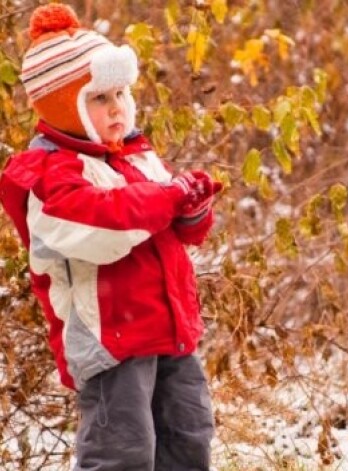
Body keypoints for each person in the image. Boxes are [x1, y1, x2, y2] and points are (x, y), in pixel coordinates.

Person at [0, 4, 219, 469]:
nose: (117, 108)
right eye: (99, 98)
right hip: (109, 341)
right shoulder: (51, 175)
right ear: (65, 105)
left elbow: (174, 232)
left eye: (120, 93)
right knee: (123, 452)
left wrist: (192, 211)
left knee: (188, 437)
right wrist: (167, 200)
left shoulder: (136, 155)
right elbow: (104, 227)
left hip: (168, 329)